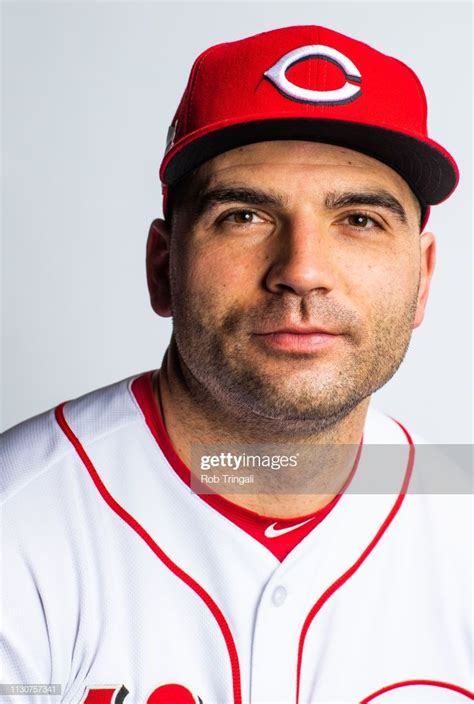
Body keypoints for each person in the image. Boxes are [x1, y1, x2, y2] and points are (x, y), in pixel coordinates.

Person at [1, 24, 472, 704]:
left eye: (361, 219)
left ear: (423, 278)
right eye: (245, 215)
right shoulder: (18, 526)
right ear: (163, 268)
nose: (302, 272)